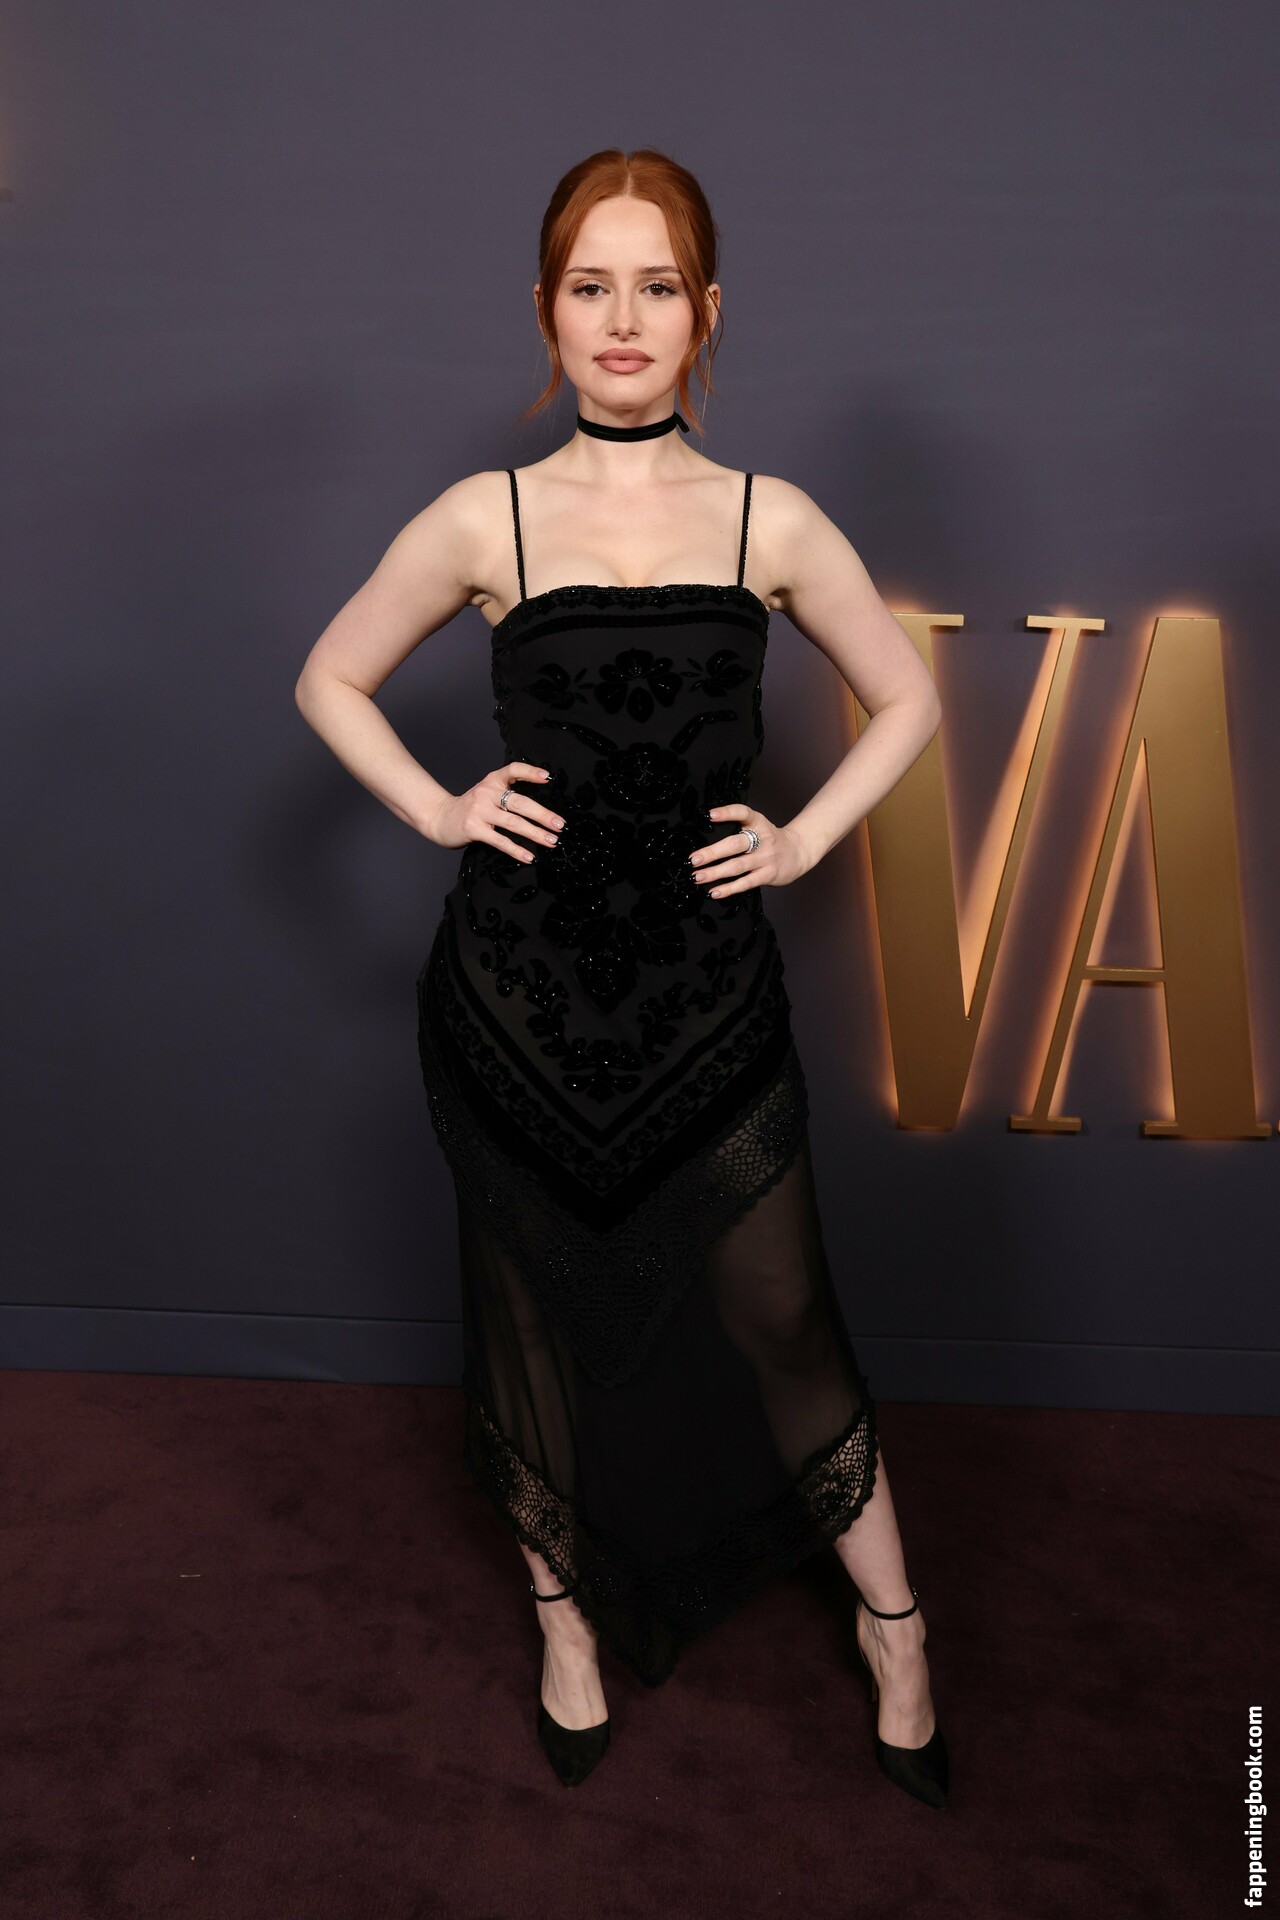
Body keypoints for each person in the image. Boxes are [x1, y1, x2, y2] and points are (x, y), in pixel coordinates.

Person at [294, 147, 948, 1807]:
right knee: (528, 1323)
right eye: (592, 285)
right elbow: (331, 677)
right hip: (515, 1001)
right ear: (547, 309)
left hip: (713, 998)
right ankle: (565, 1630)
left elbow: (910, 700)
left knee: (781, 1309)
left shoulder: (772, 517)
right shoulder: (487, 516)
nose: (624, 317)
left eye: (657, 286)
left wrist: (804, 840)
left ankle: (898, 1631)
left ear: (707, 311)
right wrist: (438, 808)